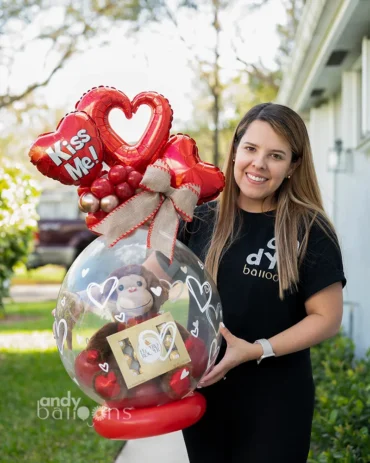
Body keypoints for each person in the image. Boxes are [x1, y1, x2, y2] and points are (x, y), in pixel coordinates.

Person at [172, 102, 346, 462]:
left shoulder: (308, 229)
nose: (259, 164)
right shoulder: (198, 219)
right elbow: (154, 287)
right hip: (204, 396)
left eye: (276, 155)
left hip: (276, 401)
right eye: (250, 149)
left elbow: (326, 318)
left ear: (293, 166)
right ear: (235, 149)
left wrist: (256, 349)